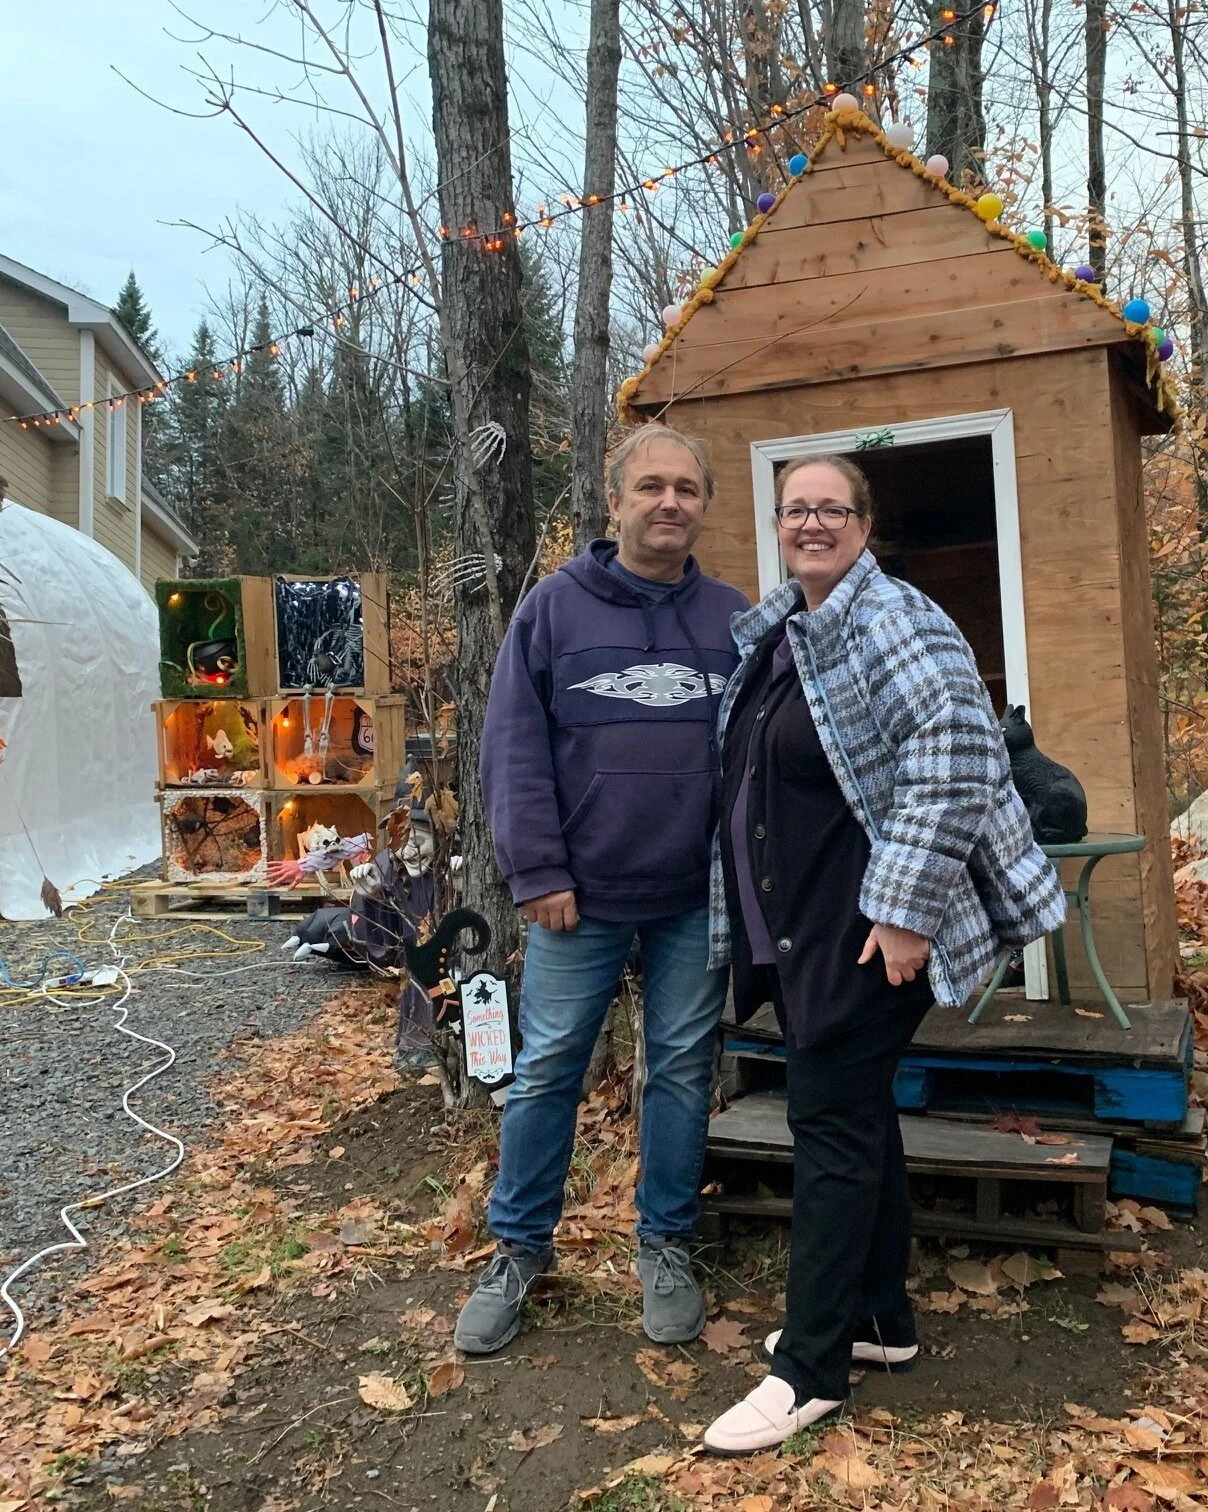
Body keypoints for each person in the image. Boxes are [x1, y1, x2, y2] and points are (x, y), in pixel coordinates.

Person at [700, 455, 1067, 1454]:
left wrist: (905, 912)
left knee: (827, 1124)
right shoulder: (789, 629)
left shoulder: (892, 618)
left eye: (833, 508)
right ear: (780, 524)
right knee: (855, 1117)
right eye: (797, 508)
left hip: (869, 927)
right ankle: (877, 1322)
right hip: (815, 919)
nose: (813, 522)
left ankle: (810, 1368)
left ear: (865, 523)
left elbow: (956, 754)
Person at [455, 425, 749, 1357]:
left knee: (680, 1072)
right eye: (651, 487)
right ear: (614, 501)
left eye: (687, 489)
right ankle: (519, 1249)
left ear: (704, 505)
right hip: (577, 897)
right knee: (546, 1072)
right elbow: (512, 747)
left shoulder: (734, 618)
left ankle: (664, 1244)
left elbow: (754, 756)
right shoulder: (554, 609)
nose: (669, 503)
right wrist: (537, 870)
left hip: (693, 895)